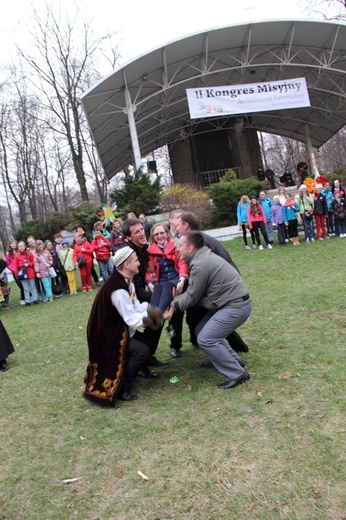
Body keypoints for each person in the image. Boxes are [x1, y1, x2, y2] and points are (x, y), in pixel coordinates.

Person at [166, 231, 251, 389]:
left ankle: (237, 373)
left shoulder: (200, 264)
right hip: (230, 304)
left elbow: (192, 297)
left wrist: (172, 304)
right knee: (201, 329)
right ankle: (235, 361)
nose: (177, 248)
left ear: (191, 248)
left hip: (236, 306)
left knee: (206, 338)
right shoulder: (201, 258)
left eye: (180, 245)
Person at [84, 246, 164, 405]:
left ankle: (138, 370)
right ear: (126, 265)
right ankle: (123, 387)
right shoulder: (117, 289)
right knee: (142, 351)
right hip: (107, 334)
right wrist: (154, 315)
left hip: (118, 327)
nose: (139, 264)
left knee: (148, 343)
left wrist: (152, 309)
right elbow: (131, 319)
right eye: (135, 260)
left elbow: (135, 306)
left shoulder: (127, 282)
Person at [173, 211, 250, 356]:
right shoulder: (200, 239)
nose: (176, 230)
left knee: (199, 316)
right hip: (225, 285)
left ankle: (225, 348)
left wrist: (174, 303)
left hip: (225, 289)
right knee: (204, 316)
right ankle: (233, 346)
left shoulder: (199, 244)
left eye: (177, 226)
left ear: (186, 225)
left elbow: (203, 271)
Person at [122, 218, 168, 368]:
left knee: (159, 313)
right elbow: (137, 291)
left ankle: (148, 354)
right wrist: (160, 298)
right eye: (137, 232)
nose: (142, 233)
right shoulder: (129, 255)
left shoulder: (144, 249)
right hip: (130, 301)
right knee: (157, 313)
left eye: (142, 229)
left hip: (141, 294)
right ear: (129, 237)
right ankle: (145, 356)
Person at [145, 223, 188, 313]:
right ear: (153, 237)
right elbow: (149, 270)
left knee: (168, 286)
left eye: (162, 233)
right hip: (161, 281)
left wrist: (182, 279)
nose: (160, 236)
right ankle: (152, 314)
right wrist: (149, 283)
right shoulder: (150, 252)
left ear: (167, 233)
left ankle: (159, 313)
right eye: (156, 234)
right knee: (158, 288)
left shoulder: (175, 247)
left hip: (175, 279)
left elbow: (182, 263)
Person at [14, 241, 38, 305]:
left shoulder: (29, 254)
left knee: (32, 286)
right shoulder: (16, 255)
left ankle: (35, 299)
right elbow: (15, 265)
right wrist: (16, 274)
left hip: (30, 272)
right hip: (22, 273)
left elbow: (33, 262)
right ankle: (28, 301)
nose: (21, 248)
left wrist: (29, 264)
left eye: (22, 246)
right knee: (25, 288)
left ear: (25, 246)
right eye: (19, 246)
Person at [6, 240, 25, 305]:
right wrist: (13, 269)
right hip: (15, 272)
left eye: (14, 243)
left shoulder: (19, 251)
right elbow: (8, 264)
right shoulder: (8, 254)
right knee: (20, 285)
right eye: (12, 244)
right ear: (10, 245)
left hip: (21, 270)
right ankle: (23, 298)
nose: (13, 245)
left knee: (24, 284)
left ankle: (24, 298)